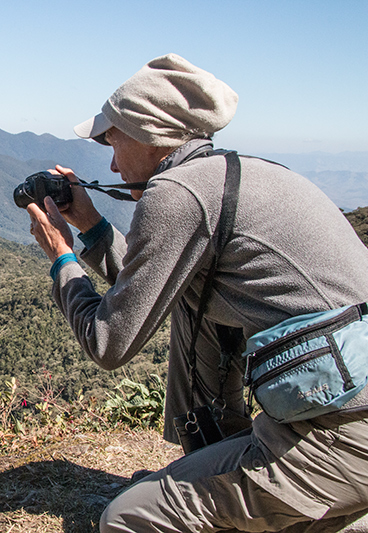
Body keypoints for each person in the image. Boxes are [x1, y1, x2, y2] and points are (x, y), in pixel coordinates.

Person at [26, 53, 368, 532]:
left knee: (125, 519)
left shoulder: (178, 193)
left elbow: (109, 342)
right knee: (192, 301)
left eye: (112, 139)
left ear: (149, 133)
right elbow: (153, 288)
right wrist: (93, 227)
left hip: (338, 437)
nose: (110, 160)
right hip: (344, 417)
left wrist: (63, 257)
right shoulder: (239, 175)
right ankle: (217, 462)